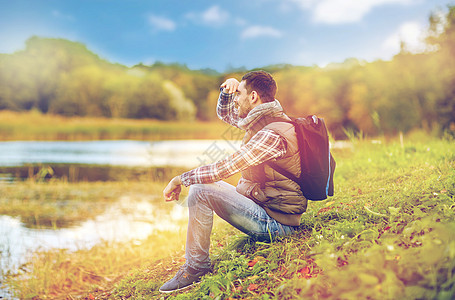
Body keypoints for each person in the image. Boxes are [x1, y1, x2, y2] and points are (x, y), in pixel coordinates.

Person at [159, 70, 307, 293]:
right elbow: (229, 116)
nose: (237, 99)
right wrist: (228, 92)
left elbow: (224, 168)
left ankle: (196, 268)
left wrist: (180, 179)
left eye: (240, 94)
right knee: (200, 187)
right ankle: (196, 265)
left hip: (277, 224)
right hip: (268, 208)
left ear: (254, 97)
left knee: (199, 189)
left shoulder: (271, 134)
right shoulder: (265, 119)